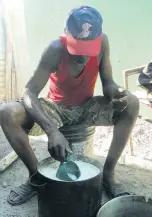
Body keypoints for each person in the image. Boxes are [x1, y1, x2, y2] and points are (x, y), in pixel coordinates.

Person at [0, 6, 139, 205]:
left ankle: (108, 176)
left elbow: (107, 81)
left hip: (87, 106)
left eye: (88, 49)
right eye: (78, 48)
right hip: (55, 108)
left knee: (132, 103)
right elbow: (29, 91)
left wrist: (115, 94)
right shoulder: (55, 49)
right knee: (6, 112)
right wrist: (51, 131)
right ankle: (36, 176)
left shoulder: (103, 43)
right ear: (67, 35)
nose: (83, 56)